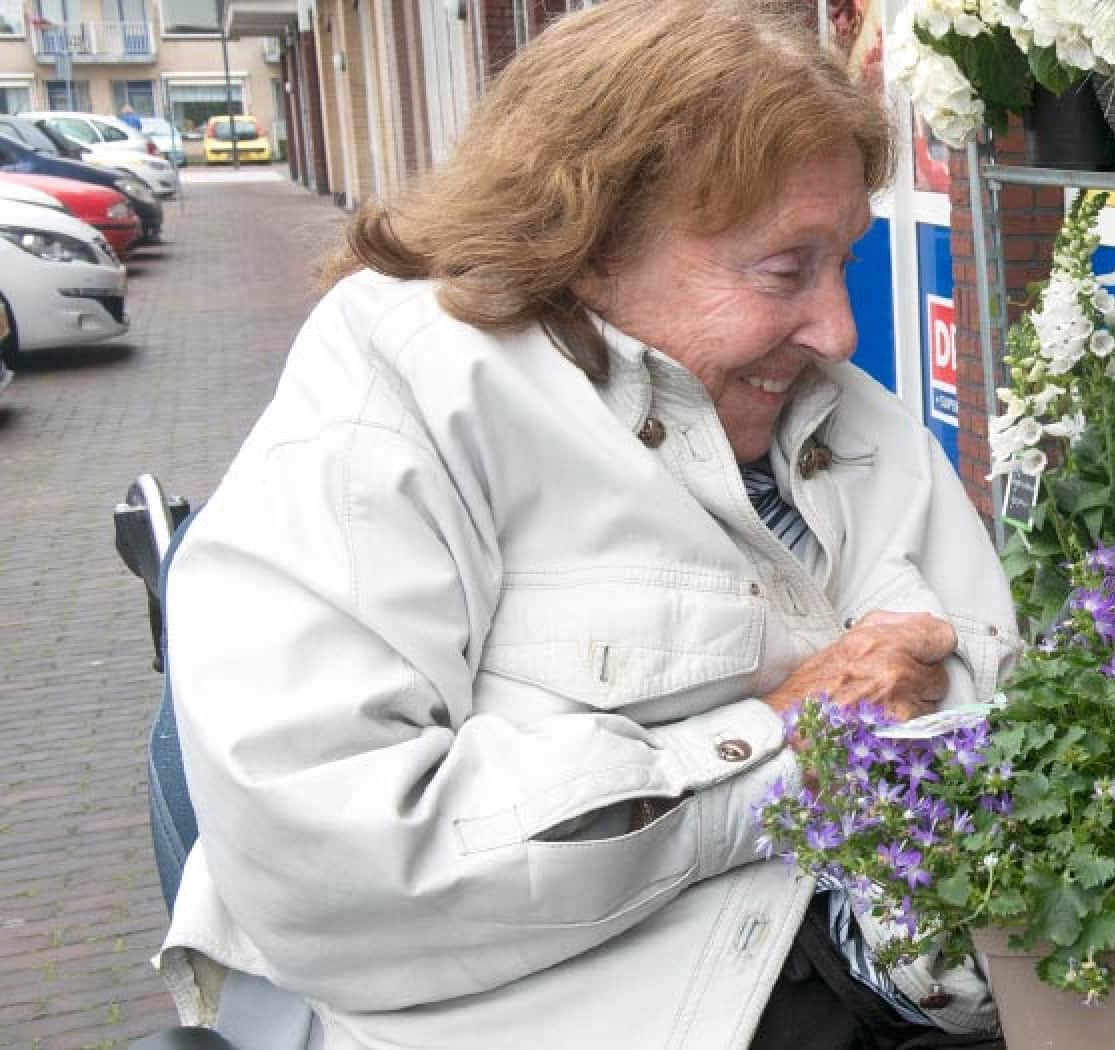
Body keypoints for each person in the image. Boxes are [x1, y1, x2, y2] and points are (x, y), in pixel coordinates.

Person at [155, 2, 1015, 1047]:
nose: (837, 328)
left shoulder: (847, 417)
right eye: (784, 269)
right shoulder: (411, 391)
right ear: (586, 244)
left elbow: (994, 703)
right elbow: (341, 862)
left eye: (841, 260)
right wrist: (790, 744)